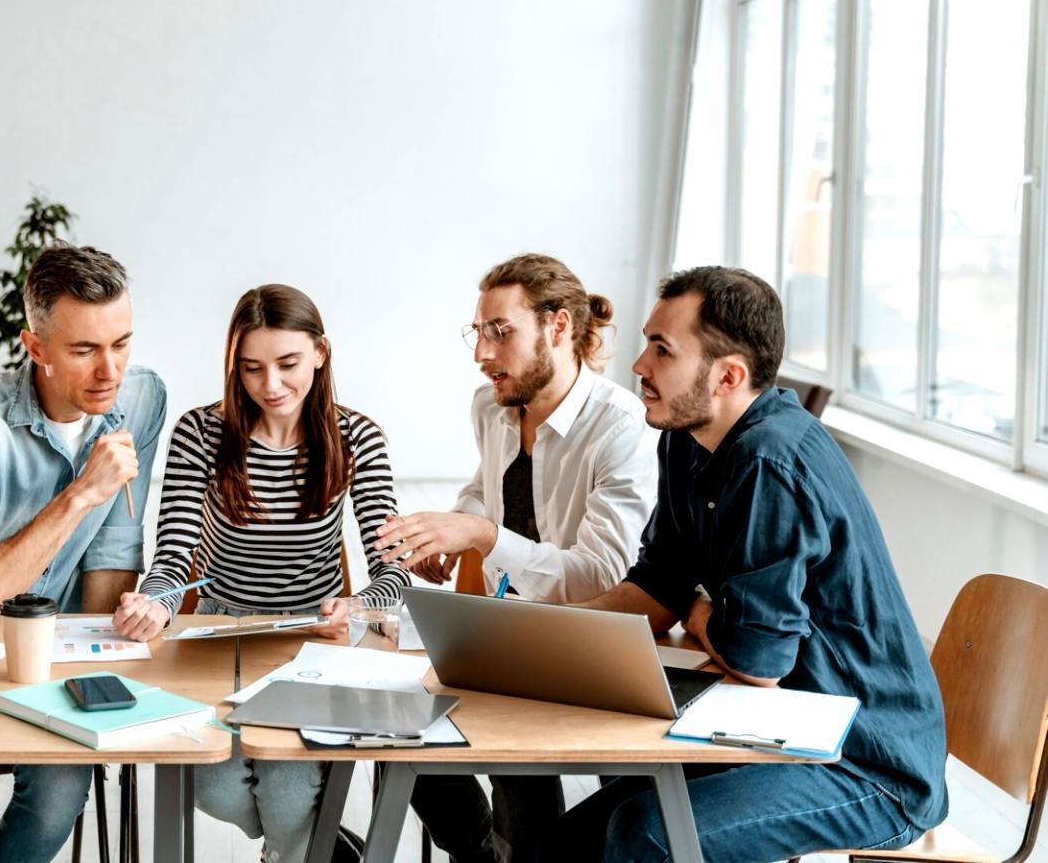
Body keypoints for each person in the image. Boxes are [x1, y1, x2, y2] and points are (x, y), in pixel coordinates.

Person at [539, 266, 948, 862]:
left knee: (643, 836)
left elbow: (757, 664)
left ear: (728, 376)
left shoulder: (771, 462)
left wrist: (699, 610)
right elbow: (658, 588)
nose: (638, 366)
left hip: (868, 767)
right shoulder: (685, 436)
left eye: (661, 350)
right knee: (566, 843)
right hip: (781, 730)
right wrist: (546, 636)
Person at [371, 253, 658, 863]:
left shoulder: (620, 428)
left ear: (559, 328)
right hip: (511, 625)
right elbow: (486, 488)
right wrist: (445, 533)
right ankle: (481, 856)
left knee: (513, 763)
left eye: (501, 333)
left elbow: (598, 577)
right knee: (398, 727)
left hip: (592, 640)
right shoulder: (493, 405)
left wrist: (478, 532)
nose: (482, 353)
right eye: (478, 332)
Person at [113, 283, 408, 863]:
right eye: (251, 369)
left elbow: (392, 571)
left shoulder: (358, 437)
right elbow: (173, 560)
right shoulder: (200, 434)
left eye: (288, 364)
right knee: (212, 785)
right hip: (220, 635)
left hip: (312, 642)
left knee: (290, 790)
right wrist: (154, 603)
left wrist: (360, 606)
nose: (270, 386)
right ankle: (316, 846)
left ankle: (299, 848)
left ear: (321, 353)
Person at [0, 242, 167, 863]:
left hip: (55, 650)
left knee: (57, 795)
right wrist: (80, 495)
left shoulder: (144, 397)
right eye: (84, 350)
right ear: (35, 346)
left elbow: (115, 548)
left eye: (121, 343)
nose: (111, 371)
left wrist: (95, 663)